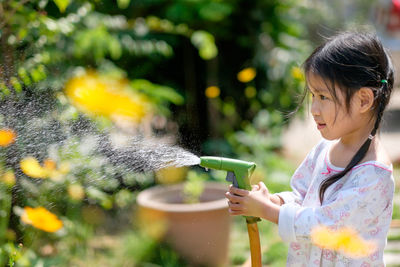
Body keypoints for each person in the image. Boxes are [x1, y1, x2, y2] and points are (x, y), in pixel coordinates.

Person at [225, 32, 395, 266]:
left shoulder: (373, 175)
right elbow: (302, 196)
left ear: (364, 100)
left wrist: (266, 211)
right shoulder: (324, 150)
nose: (314, 109)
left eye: (324, 97)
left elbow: (323, 226)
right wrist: (275, 201)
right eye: (313, 96)